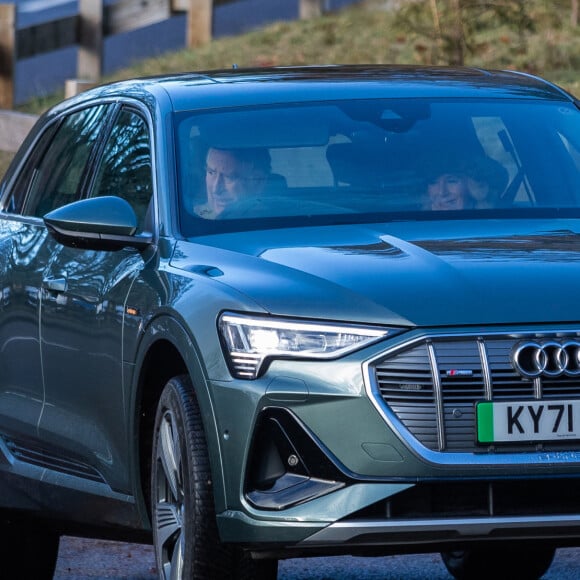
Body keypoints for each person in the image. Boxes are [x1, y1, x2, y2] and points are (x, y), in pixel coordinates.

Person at [194, 146, 271, 219]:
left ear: (257, 182)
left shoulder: (273, 226)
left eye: (229, 177)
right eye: (211, 172)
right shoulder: (191, 220)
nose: (216, 189)